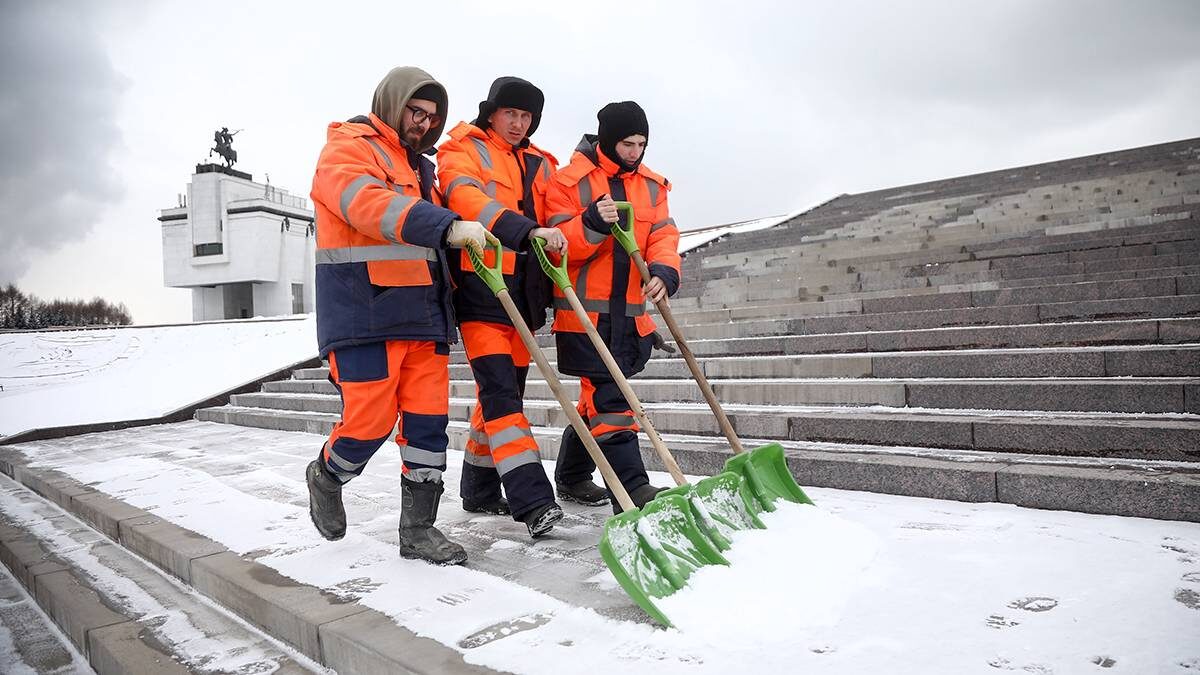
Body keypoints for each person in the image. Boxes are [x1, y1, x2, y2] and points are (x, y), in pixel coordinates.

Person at [306, 66, 492, 566]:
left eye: (432, 117)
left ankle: (418, 532)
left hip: (424, 317)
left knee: (429, 428)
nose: (424, 123)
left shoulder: (423, 170)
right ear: (392, 103)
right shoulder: (348, 147)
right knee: (369, 422)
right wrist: (446, 224)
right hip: (364, 313)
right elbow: (366, 204)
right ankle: (327, 474)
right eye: (416, 111)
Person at [437, 76, 571, 536]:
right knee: (499, 393)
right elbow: (465, 198)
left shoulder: (541, 163)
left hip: (526, 298)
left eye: (526, 116)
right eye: (510, 114)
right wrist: (523, 230)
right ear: (491, 112)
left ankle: (477, 487)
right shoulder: (463, 149)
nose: (518, 123)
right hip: (481, 290)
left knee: (502, 394)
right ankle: (533, 500)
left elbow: (558, 215)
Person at [545, 101, 681, 512]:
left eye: (641, 144)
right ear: (606, 139)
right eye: (627, 143)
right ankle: (633, 489)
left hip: (630, 316)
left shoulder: (653, 187)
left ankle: (570, 476)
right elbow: (557, 249)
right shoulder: (569, 181)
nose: (635, 152)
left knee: (599, 400)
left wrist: (664, 271)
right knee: (613, 400)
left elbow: (663, 234)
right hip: (585, 316)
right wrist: (590, 223)